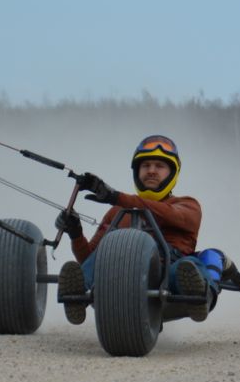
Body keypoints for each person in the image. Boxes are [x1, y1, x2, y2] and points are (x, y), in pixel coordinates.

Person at [54, 134, 223, 325]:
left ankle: (198, 295)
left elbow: (167, 213)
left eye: (159, 166)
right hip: (120, 270)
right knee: (102, 255)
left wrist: (116, 197)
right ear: (137, 171)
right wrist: (75, 233)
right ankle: (76, 297)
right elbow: (89, 259)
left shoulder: (187, 204)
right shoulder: (117, 212)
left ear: (172, 173)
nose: (151, 171)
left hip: (167, 269)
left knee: (188, 266)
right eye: (145, 166)